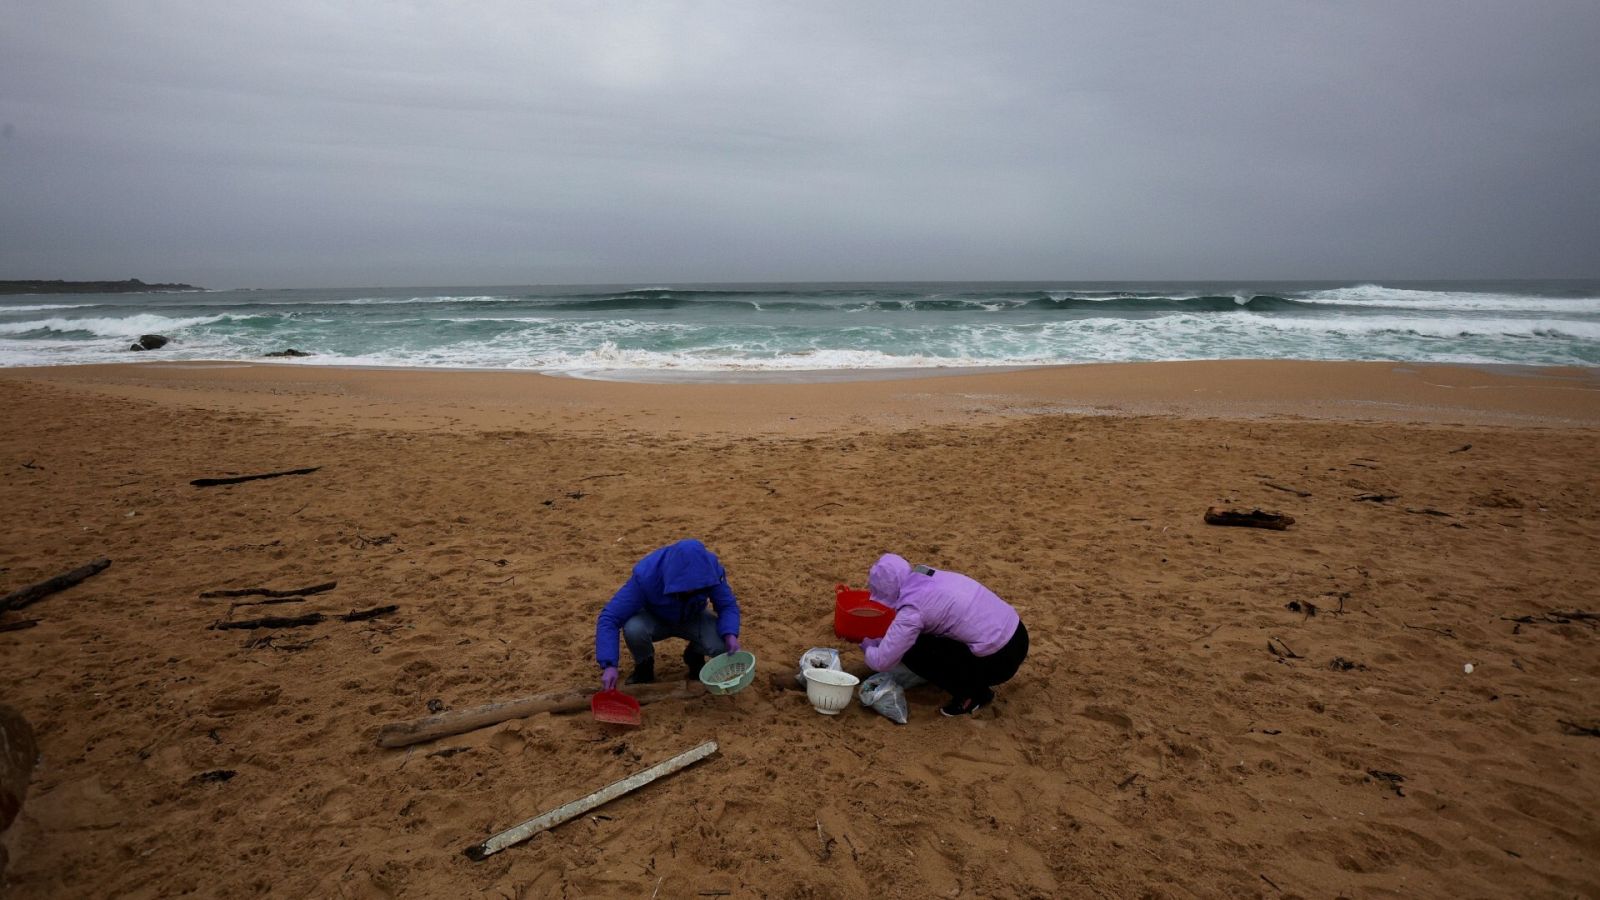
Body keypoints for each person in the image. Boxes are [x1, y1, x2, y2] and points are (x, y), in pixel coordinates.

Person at [858, 553, 1028, 717]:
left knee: (912, 650)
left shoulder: (912, 611)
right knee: (923, 638)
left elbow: (882, 662)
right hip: (1018, 633)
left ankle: (973, 694)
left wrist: (868, 646)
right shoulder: (925, 573)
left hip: (1000, 660)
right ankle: (965, 678)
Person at [594, 539, 741, 691]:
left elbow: (727, 605)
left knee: (721, 646)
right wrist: (609, 665)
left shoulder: (711, 571)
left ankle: (694, 654)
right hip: (654, 617)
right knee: (633, 629)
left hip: (693, 616)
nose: (691, 590)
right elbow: (610, 618)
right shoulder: (647, 576)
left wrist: (730, 634)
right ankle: (644, 666)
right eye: (687, 586)